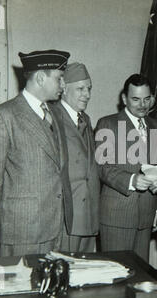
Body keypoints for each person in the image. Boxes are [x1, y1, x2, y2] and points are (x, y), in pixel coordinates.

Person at [0, 49, 72, 257]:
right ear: (40, 78)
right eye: (59, 78)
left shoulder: (54, 114)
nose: (63, 85)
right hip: (22, 231)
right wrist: (8, 221)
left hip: (55, 228)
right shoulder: (3, 117)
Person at [95, 74, 157, 262]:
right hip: (117, 216)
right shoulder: (108, 123)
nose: (142, 105)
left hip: (146, 216)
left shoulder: (156, 126)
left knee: (140, 276)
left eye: (147, 99)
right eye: (136, 99)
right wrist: (132, 180)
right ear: (124, 98)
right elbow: (102, 167)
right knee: (117, 275)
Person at [51, 62, 100, 253]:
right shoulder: (52, 117)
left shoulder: (85, 119)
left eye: (89, 89)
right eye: (80, 89)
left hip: (89, 211)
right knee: (65, 268)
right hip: (67, 213)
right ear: (63, 88)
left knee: (86, 271)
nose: (87, 94)